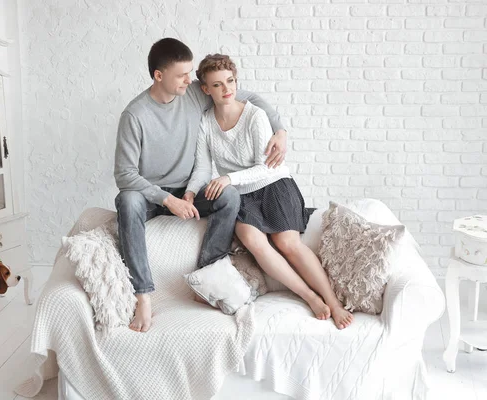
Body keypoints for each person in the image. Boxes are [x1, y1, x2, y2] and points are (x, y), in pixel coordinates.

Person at [114, 38, 289, 332]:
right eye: (182, 74)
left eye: (191, 72)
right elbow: (124, 174)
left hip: (189, 190)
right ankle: (143, 294)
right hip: (151, 195)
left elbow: (249, 98)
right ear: (159, 75)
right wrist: (168, 201)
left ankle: (207, 275)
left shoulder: (193, 93)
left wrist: (281, 130)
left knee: (229, 196)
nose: (189, 79)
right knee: (127, 200)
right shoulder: (135, 115)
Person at [186, 54, 353, 330]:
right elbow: (203, 169)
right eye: (217, 85)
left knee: (287, 244)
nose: (226, 89)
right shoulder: (206, 122)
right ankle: (309, 296)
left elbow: (265, 167)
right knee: (253, 240)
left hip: (274, 184)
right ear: (205, 89)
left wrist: (228, 178)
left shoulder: (254, 115)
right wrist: (191, 192)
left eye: (230, 81)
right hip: (242, 195)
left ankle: (333, 302)